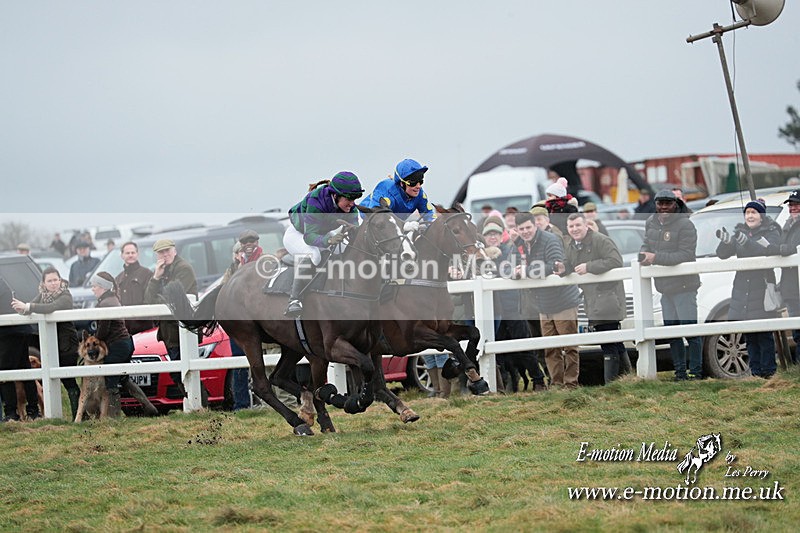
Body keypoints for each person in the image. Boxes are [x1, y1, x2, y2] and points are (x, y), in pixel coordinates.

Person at [512, 211, 582, 389]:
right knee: (550, 348)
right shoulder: (518, 244)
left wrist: (526, 270)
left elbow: (555, 266)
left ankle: (571, 383)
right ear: (517, 230)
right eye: (522, 229)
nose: (526, 231)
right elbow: (509, 266)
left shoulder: (550, 240)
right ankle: (557, 384)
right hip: (542, 303)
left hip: (563, 300)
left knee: (569, 345)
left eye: (528, 227)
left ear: (535, 225)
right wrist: (514, 272)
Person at [558, 213, 629, 384]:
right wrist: (562, 268)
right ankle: (627, 378)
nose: (574, 229)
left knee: (608, 341)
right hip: (592, 300)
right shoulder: (572, 245)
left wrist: (590, 267)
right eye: (571, 226)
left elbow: (616, 261)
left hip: (608, 297)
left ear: (586, 226)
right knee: (613, 340)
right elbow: (570, 263)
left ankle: (611, 383)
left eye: (577, 225)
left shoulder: (600, 240)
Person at [639, 189, 702, 381]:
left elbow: (685, 255)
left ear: (675, 204)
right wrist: (643, 255)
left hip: (685, 286)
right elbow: (646, 244)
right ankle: (680, 373)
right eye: (660, 203)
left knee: (690, 332)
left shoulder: (686, 224)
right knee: (672, 333)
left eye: (668, 203)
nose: (664, 207)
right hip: (665, 288)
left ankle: (696, 372)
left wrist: (655, 258)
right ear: (656, 204)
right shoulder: (650, 222)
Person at [715, 201, 782, 378]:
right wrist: (727, 242)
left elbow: (768, 251)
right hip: (742, 288)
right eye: (747, 213)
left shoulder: (772, 231)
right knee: (749, 335)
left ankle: (768, 372)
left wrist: (748, 242)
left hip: (761, 287)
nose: (750, 216)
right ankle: (754, 372)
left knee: (764, 334)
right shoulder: (740, 232)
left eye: (754, 212)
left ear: (762, 215)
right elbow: (722, 254)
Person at [284, 171, 364, 317]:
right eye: (349, 199)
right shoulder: (316, 201)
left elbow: (355, 231)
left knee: (346, 248)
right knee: (314, 255)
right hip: (299, 234)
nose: (352, 203)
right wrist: (328, 240)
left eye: (355, 198)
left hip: (321, 232)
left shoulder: (349, 206)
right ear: (336, 195)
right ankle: (294, 300)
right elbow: (309, 237)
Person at [483, 217, 547, 392]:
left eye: (495, 233)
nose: (492, 237)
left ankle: (538, 380)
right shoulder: (480, 255)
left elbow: (512, 269)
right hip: (494, 309)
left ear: (501, 234)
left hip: (512, 306)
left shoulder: (510, 250)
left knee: (524, 344)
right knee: (499, 350)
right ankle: (504, 385)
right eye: (489, 234)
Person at [11, 267, 82, 419]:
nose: (53, 283)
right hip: (51, 344)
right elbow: (30, 307)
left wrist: (28, 307)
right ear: (44, 283)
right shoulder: (43, 295)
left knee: (69, 380)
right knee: (57, 379)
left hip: (67, 345)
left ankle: (79, 414)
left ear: (60, 280)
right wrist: (22, 308)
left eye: (56, 280)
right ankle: (71, 415)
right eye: (50, 281)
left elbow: (50, 308)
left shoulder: (65, 295)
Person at [90, 272, 157, 417]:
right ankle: (149, 407)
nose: (92, 289)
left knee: (111, 382)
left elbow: (103, 331)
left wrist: (93, 340)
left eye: (94, 286)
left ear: (103, 287)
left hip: (116, 346)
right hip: (127, 343)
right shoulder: (113, 299)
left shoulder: (104, 303)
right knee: (124, 379)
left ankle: (113, 417)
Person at [144, 239, 199, 397]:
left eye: (167, 251)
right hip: (169, 331)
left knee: (186, 371)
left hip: (182, 329)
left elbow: (173, 298)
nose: (165, 255)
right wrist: (155, 277)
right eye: (161, 252)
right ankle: (196, 404)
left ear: (174, 250)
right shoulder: (163, 271)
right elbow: (148, 301)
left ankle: (200, 403)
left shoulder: (183, 269)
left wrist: (157, 301)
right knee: (178, 372)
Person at [0, 278, 39, 421]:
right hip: (18, 329)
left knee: (5, 371)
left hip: (10, 331)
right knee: (24, 368)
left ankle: (11, 413)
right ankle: (33, 411)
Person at [361, 158, 434, 223]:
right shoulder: (387, 192)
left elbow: (430, 216)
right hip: (364, 219)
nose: (418, 186)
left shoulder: (419, 194)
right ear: (402, 183)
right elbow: (379, 219)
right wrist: (404, 225)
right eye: (413, 183)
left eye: (420, 182)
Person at [773, 190, 800, 364]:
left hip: (796, 282)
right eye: (790, 205)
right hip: (790, 285)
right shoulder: (787, 224)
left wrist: (783, 249)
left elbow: (791, 248)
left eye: (796, 204)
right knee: (797, 331)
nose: (792, 208)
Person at [115, 241, 155, 336]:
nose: (130, 255)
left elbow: (150, 298)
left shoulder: (147, 274)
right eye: (127, 253)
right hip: (125, 328)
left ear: (137, 254)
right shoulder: (118, 278)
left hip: (143, 326)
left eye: (133, 253)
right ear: (122, 255)